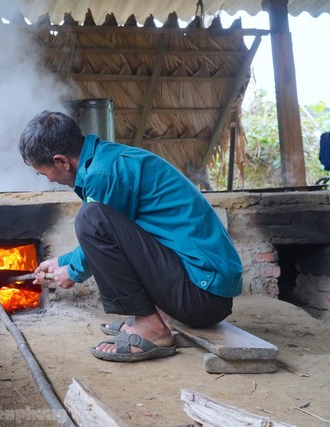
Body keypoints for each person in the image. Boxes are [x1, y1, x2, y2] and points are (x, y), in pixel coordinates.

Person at [18, 111, 243, 362]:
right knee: (95, 219)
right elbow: (121, 238)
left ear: (61, 161)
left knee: (90, 218)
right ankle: (161, 315)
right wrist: (62, 261)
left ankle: (152, 328)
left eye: (43, 172)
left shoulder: (104, 173)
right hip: (204, 291)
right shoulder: (107, 160)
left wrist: (72, 272)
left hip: (202, 297)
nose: (47, 180)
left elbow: (100, 231)